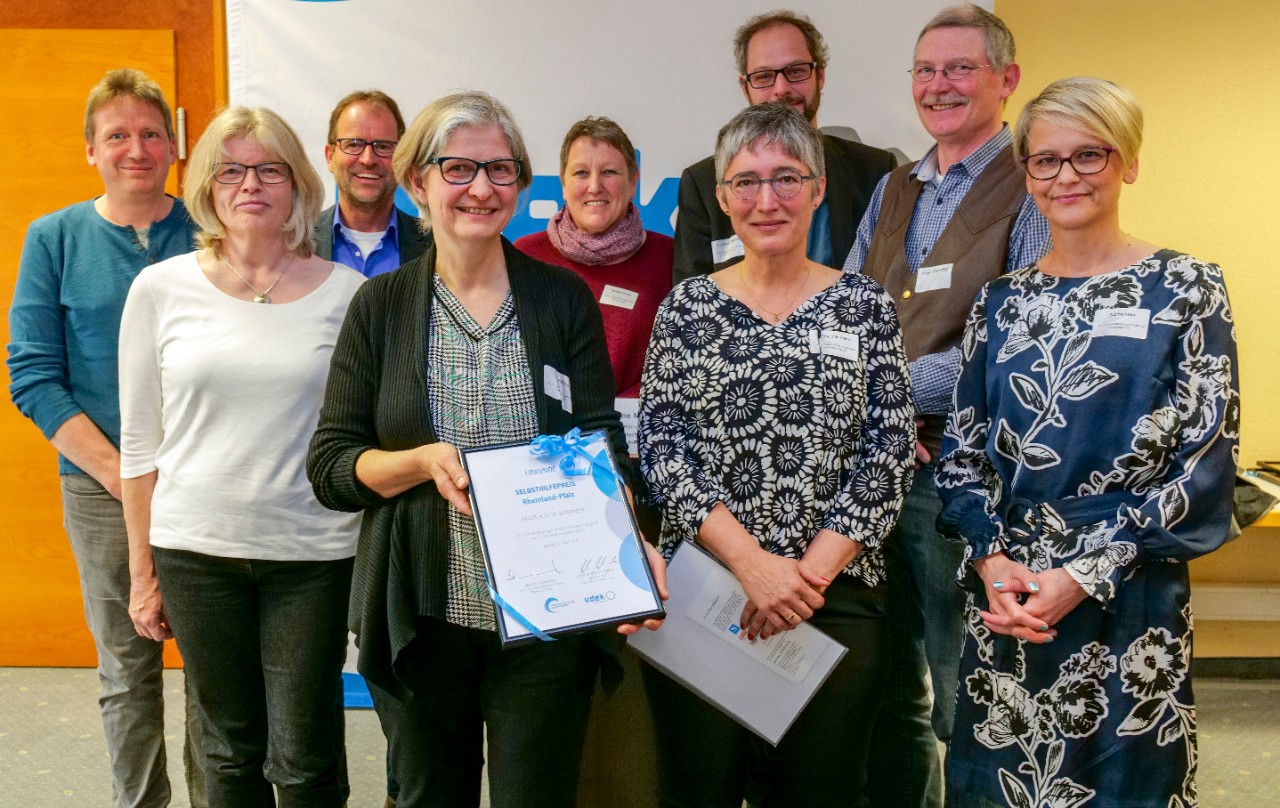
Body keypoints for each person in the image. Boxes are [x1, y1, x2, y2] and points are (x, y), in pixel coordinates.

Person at [306, 90, 665, 808]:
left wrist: (634, 543)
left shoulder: (561, 300)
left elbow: (602, 445)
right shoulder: (379, 308)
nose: (480, 188)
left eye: (501, 170)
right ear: (419, 182)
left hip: (546, 614)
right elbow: (332, 467)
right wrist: (421, 460)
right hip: (423, 613)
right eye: (459, 168)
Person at [935, 77, 1239, 808]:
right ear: (1027, 172)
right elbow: (963, 454)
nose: (1065, 177)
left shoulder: (1187, 289)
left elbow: (1206, 467)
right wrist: (991, 560)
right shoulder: (1000, 303)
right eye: (1046, 161)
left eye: (1088, 155)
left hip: (1129, 599)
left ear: (1127, 161)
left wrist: (1086, 572)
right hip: (1011, 607)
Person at [639, 102, 915, 808]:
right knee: (698, 790)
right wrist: (753, 567)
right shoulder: (687, 308)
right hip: (707, 593)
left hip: (836, 600)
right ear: (723, 198)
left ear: (818, 189)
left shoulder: (864, 306)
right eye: (747, 182)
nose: (768, 199)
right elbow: (664, 449)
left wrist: (802, 581)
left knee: (820, 793)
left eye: (787, 178)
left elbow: (888, 452)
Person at [119, 105, 365, 807]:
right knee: (227, 751)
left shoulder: (349, 296)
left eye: (268, 169)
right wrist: (143, 575)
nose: (249, 183)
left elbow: (360, 440)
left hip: (313, 555)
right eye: (231, 169)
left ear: (297, 186)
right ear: (206, 185)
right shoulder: (160, 290)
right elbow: (140, 446)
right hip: (196, 552)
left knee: (307, 754)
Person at [845, 6, 1051, 805]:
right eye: (927, 70)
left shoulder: (1030, 182)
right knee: (890, 683)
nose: (940, 86)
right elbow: (853, 313)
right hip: (881, 469)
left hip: (958, 477)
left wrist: (889, 401)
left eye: (960, 68)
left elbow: (1011, 341)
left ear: (1006, 79)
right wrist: (877, 418)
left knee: (962, 683)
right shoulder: (897, 185)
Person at [6, 67, 203, 808]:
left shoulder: (209, 230)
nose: (136, 148)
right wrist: (123, 474)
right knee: (128, 667)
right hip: (99, 487)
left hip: (206, 485)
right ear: (90, 148)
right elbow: (33, 375)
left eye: (151, 133)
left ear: (174, 146)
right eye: (117, 134)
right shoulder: (53, 239)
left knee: (212, 667)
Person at [672, 9, 896, 283]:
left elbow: (890, 283)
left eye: (796, 71)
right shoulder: (702, 182)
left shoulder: (875, 171)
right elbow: (692, 299)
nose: (781, 88)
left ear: (820, 75)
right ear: (746, 88)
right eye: (764, 76)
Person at [514, 116, 672, 399]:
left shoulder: (668, 258)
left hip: (638, 434)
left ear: (633, 182)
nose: (595, 186)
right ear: (563, 184)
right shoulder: (525, 255)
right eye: (581, 173)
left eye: (610, 171)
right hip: (548, 437)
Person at [315, 89, 432, 275]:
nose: (368, 159)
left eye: (384, 146)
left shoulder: (436, 247)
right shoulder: (295, 242)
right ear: (330, 157)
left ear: (402, 157)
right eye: (353, 144)